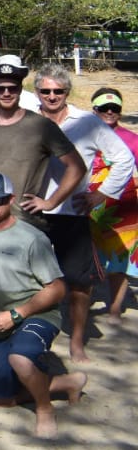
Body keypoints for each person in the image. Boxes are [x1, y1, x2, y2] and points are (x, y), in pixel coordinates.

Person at [0, 171, 87, 438]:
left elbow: (58, 288)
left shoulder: (32, 238)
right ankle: (67, 383)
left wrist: (17, 313)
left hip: (36, 314)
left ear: (11, 199)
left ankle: (44, 409)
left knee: (21, 358)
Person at [32, 63, 133, 361]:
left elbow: (123, 159)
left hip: (72, 212)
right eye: (46, 91)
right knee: (28, 278)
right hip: (31, 209)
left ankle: (77, 340)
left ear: (68, 92)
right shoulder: (26, 118)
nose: (52, 96)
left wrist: (100, 195)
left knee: (78, 281)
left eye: (58, 91)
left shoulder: (87, 122)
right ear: (36, 92)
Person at [0, 61, 84, 234]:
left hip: (25, 224)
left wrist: (50, 202)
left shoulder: (42, 126)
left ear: (20, 90)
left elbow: (76, 167)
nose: (6, 93)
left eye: (13, 88)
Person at [87, 87, 138, 322]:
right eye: (103, 108)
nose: (109, 112)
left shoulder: (132, 140)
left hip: (122, 211)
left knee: (119, 262)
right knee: (86, 259)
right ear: (93, 110)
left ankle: (115, 308)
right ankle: (83, 303)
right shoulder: (82, 136)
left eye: (114, 108)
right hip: (85, 207)